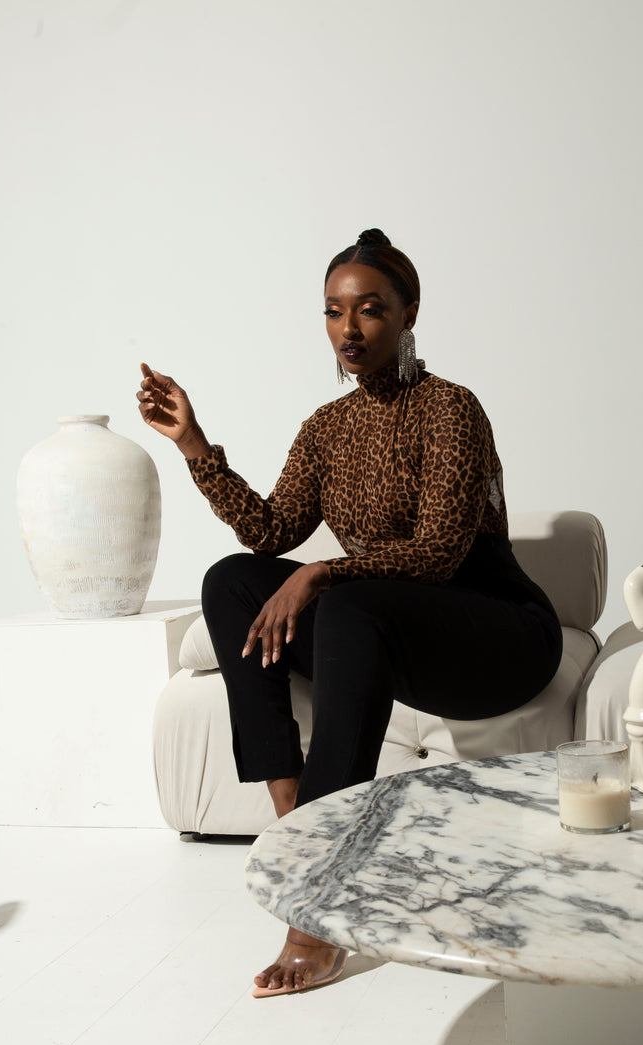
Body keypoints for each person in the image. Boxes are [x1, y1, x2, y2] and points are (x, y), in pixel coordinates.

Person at [137, 228, 563, 997]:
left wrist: (322, 573)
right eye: (334, 311)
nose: (349, 328)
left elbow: (438, 554)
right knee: (233, 579)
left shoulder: (451, 409)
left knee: (346, 603)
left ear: (409, 313)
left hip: (494, 632)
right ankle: (297, 817)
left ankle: (318, 912)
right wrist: (193, 443)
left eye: (369, 309)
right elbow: (270, 531)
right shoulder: (327, 428)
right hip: (384, 623)